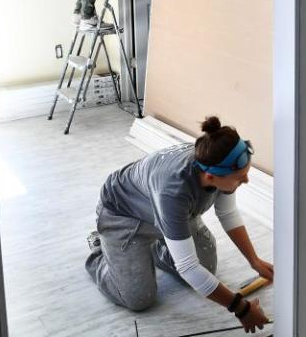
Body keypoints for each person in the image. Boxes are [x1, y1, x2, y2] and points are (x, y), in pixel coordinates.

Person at [85, 116, 273, 333]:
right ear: (211, 178)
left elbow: (228, 213)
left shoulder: (214, 160)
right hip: (125, 217)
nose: (246, 181)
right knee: (139, 299)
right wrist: (241, 308)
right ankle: (101, 249)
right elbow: (188, 267)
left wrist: (254, 260)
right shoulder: (173, 190)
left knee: (207, 270)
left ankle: (157, 248)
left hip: (169, 215)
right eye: (241, 178)